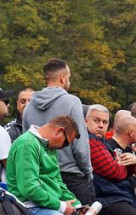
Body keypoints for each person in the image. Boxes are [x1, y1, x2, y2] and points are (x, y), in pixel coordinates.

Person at [21, 59, 94, 205]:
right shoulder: (72, 102)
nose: (70, 82)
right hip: (72, 177)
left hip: (42, 180)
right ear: (63, 78)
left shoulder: (29, 107)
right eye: (69, 78)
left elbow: (27, 143)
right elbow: (80, 147)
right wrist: (88, 172)